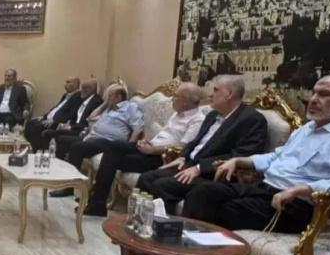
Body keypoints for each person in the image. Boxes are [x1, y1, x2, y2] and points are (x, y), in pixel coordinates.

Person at [170, 75, 330, 255]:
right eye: (314, 92)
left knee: (215, 210)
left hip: (295, 205)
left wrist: (304, 189)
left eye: (324, 94)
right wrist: (240, 161)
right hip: (263, 189)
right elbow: (277, 157)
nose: (313, 99)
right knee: (202, 192)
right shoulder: (307, 129)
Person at [136, 75, 268, 216]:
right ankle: (141, 222)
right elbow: (195, 142)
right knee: (146, 178)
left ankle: (165, 227)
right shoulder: (212, 115)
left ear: (229, 94)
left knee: (162, 185)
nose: (210, 94)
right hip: (190, 165)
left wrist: (200, 168)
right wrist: (182, 157)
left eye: (216, 90)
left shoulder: (251, 119)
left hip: (211, 174)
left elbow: (241, 155)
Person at [83, 82, 206, 216]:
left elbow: (183, 148)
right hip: (150, 148)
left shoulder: (198, 120)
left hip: (162, 157)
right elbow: (164, 136)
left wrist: (154, 150)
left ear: (186, 102)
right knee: (114, 147)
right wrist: (147, 142)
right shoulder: (177, 114)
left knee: (113, 157)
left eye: (176, 96)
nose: (172, 99)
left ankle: (97, 204)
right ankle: (97, 202)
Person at [49, 84, 143, 197]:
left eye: (110, 96)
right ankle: (62, 179)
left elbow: (139, 127)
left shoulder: (129, 107)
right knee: (65, 142)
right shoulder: (110, 109)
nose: (107, 99)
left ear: (118, 97)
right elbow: (91, 117)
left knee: (77, 147)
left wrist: (130, 145)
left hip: (109, 141)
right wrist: (105, 104)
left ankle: (69, 187)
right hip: (94, 138)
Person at [42, 79, 103, 158]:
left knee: (60, 138)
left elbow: (87, 122)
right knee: (48, 133)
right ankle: (46, 157)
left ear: (92, 89)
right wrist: (67, 124)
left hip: (81, 130)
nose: (81, 90)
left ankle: (59, 161)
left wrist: (71, 127)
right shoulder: (83, 99)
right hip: (74, 127)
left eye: (84, 88)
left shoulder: (96, 101)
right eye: (81, 87)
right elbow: (75, 116)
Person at [23, 76, 82, 151]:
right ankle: (32, 148)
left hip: (57, 122)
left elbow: (70, 114)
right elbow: (56, 108)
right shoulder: (65, 95)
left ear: (76, 84)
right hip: (49, 119)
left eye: (68, 82)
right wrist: (44, 116)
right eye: (66, 82)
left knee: (36, 127)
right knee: (30, 123)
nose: (65, 84)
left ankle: (39, 150)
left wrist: (54, 121)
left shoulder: (78, 97)